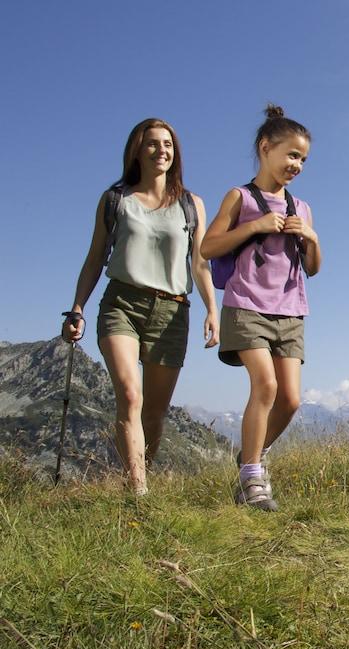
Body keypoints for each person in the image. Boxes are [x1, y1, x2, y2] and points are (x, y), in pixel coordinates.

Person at [62, 118, 219, 496]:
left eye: (167, 144)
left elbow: (200, 262)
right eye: (152, 143)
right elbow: (95, 258)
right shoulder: (116, 200)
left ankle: (138, 474)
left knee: (154, 412)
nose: (161, 150)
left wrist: (213, 309)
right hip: (122, 304)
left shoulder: (190, 204)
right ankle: (138, 491)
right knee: (130, 396)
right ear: (137, 150)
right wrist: (77, 307)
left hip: (172, 312)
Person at [201, 105, 321, 511]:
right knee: (265, 385)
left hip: (290, 310)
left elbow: (315, 268)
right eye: (291, 154)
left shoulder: (301, 207)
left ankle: (250, 457)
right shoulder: (240, 197)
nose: (297, 165)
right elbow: (208, 247)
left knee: (290, 400)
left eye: (303, 159)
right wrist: (254, 226)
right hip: (246, 304)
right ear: (265, 147)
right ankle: (252, 479)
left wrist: (311, 238)